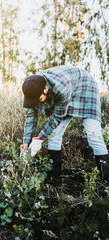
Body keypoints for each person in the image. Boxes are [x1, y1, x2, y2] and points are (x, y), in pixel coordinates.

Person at [21, 65, 109, 196]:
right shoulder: (32, 89)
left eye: (38, 100)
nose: (36, 103)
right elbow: (30, 118)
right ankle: (53, 179)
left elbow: (57, 117)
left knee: (93, 135)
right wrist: (25, 144)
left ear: (45, 89)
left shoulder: (61, 88)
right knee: (55, 135)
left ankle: (106, 183)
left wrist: (39, 139)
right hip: (68, 88)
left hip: (85, 87)